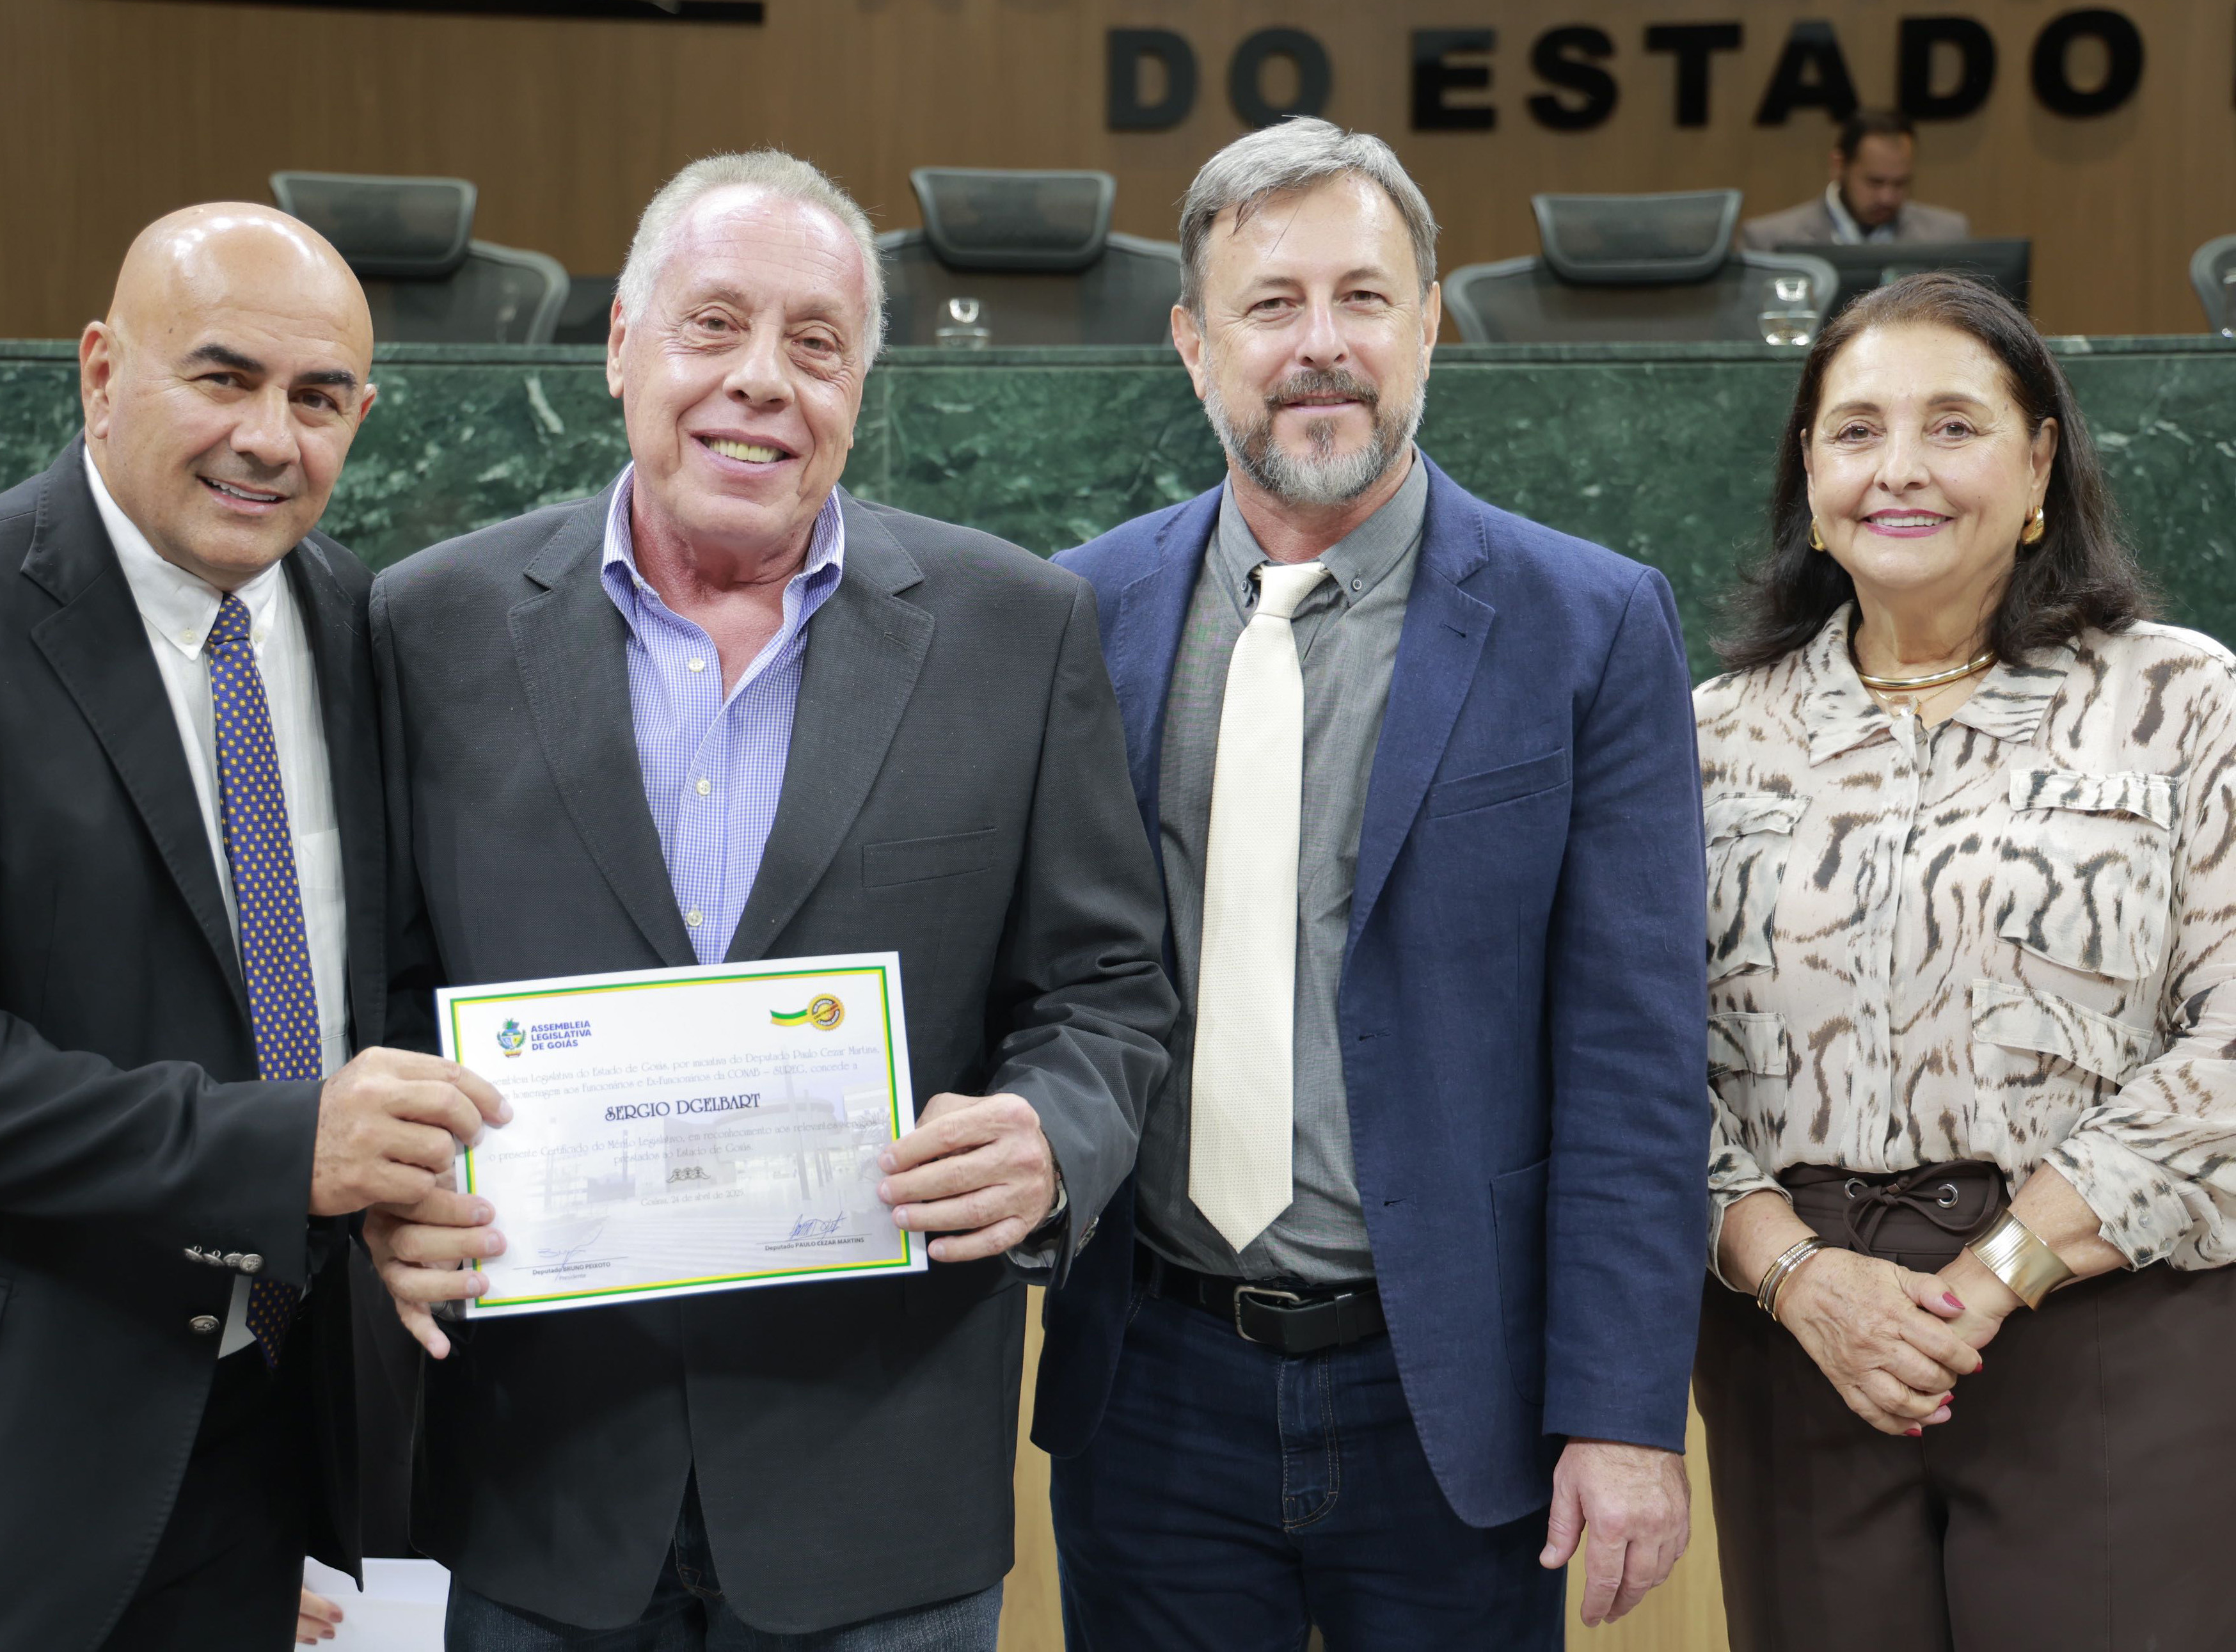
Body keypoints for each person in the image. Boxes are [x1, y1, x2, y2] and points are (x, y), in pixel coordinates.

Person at [360, 150, 1174, 1650]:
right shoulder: (429, 623)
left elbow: (1104, 990)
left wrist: (1050, 1139)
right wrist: (394, 1189)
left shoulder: (1015, 627)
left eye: (814, 343)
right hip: (547, 1479)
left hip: (880, 1484)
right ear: (620, 342)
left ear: (860, 387)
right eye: (714, 324)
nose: (759, 380)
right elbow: (382, 996)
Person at [0, 204, 507, 1652]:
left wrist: (415, 1168)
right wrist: (292, 1149)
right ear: (101, 372)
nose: (268, 439)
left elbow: (363, 984)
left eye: (318, 398)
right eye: (222, 378)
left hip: (236, 1444)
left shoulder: (359, 623)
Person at [1034, 118, 1711, 1650]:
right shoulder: (1077, 612)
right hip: (1152, 1386)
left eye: (1361, 297)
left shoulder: (1589, 622)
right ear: (1192, 343)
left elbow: (1635, 1054)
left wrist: (1621, 1411)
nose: (1319, 346)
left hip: (1456, 1395)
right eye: (1270, 304)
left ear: (1430, 323)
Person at [1695, 271, 2236, 1649]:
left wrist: (1995, 1271)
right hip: (1796, 1340)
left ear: (2039, 459)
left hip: (2108, 1329)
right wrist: (1791, 1273)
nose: (1897, 469)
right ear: (1807, 471)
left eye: (1951, 426)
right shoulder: (1700, 737)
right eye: (1855, 430)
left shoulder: (2180, 700)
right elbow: (1619, 1056)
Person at [1741, 109, 1970, 250]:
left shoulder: (1946, 236)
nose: (1887, 197)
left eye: (1900, 183)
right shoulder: (1769, 241)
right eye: (1875, 182)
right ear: (1839, 166)